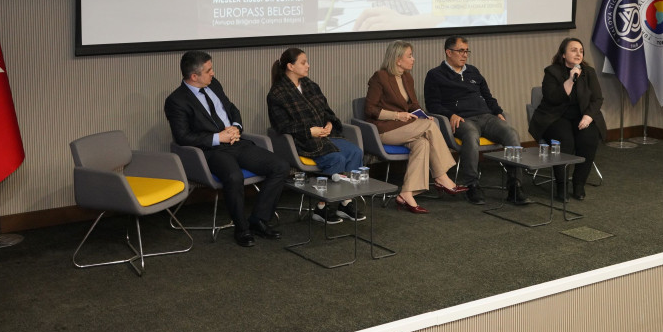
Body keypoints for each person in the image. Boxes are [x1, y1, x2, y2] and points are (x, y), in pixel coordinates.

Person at [164, 50, 289, 248]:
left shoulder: (214, 84)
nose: (213, 73)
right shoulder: (176, 101)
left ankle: (258, 220)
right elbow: (182, 137)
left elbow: (231, 109)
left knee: (280, 166)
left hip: (236, 143)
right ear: (194, 76)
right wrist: (217, 138)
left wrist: (236, 127)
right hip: (210, 151)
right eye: (208, 70)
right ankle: (242, 229)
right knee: (233, 176)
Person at [267, 47, 365, 225]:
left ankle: (345, 203)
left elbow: (326, 111)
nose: (308, 66)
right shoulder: (277, 93)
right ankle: (321, 207)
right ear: (290, 66)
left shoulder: (310, 85)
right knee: (336, 158)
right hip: (301, 140)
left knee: (355, 152)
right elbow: (281, 126)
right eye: (303, 62)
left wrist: (329, 123)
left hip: (325, 136)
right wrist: (309, 131)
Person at [423, 35, 525, 205]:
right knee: (470, 135)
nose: (464, 55)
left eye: (466, 51)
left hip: (485, 116)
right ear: (448, 52)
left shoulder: (473, 71)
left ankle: (515, 186)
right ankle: (472, 185)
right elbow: (432, 105)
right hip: (462, 119)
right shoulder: (435, 75)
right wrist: (450, 115)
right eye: (460, 51)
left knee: (511, 133)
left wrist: (498, 111)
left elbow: (488, 96)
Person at [364, 40, 464, 213]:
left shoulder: (407, 77)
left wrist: (424, 115)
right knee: (430, 127)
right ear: (398, 60)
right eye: (409, 56)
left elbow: (413, 105)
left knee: (423, 143)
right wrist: (397, 115)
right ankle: (441, 177)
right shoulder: (380, 77)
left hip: (405, 129)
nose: (413, 59)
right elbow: (370, 109)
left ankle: (406, 194)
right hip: (384, 130)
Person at [527, 37, 607, 202]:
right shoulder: (552, 72)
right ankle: (562, 186)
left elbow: (597, 99)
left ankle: (579, 184)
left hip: (582, 116)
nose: (578, 54)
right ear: (563, 54)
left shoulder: (589, 72)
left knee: (589, 139)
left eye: (581, 51)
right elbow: (552, 98)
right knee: (565, 141)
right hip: (555, 117)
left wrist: (588, 117)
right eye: (573, 50)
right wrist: (570, 80)